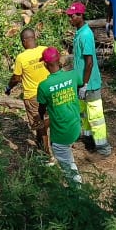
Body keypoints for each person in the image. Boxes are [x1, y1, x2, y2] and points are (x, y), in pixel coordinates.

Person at [68, 2, 111, 155]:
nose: (71, 18)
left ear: (81, 15)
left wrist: (85, 84)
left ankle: (103, 146)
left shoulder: (86, 35)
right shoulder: (79, 32)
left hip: (90, 84)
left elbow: (89, 62)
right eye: (70, 16)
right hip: (81, 83)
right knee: (84, 112)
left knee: (96, 115)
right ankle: (88, 138)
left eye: (73, 16)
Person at [35, 46, 82, 184]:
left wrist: (41, 119)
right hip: (75, 125)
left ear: (46, 64)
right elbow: (79, 84)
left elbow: (41, 108)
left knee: (67, 164)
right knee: (66, 151)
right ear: (59, 59)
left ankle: (77, 189)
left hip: (62, 132)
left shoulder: (44, 86)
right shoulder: (72, 75)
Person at [6, 27, 49, 148]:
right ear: (34, 38)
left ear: (24, 41)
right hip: (49, 92)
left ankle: (46, 152)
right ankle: (44, 142)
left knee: (38, 123)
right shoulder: (45, 50)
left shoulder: (21, 57)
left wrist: (8, 88)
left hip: (33, 96)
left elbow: (16, 78)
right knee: (49, 118)